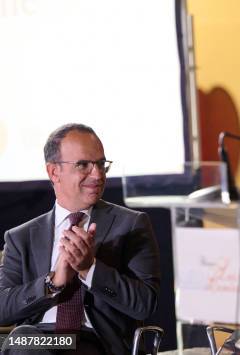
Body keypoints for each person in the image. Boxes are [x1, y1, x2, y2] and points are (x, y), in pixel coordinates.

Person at [0, 124, 161, 355]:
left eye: (101, 164)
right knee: (21, 339)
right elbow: (3, 309)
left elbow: (145, 305)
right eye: (84, 165)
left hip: (94, 342)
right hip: (37, 340)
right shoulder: (21, 237)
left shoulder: (131, 224)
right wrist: (52, 283)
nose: (97, 174)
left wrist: (90, 269)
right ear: (54, 172)